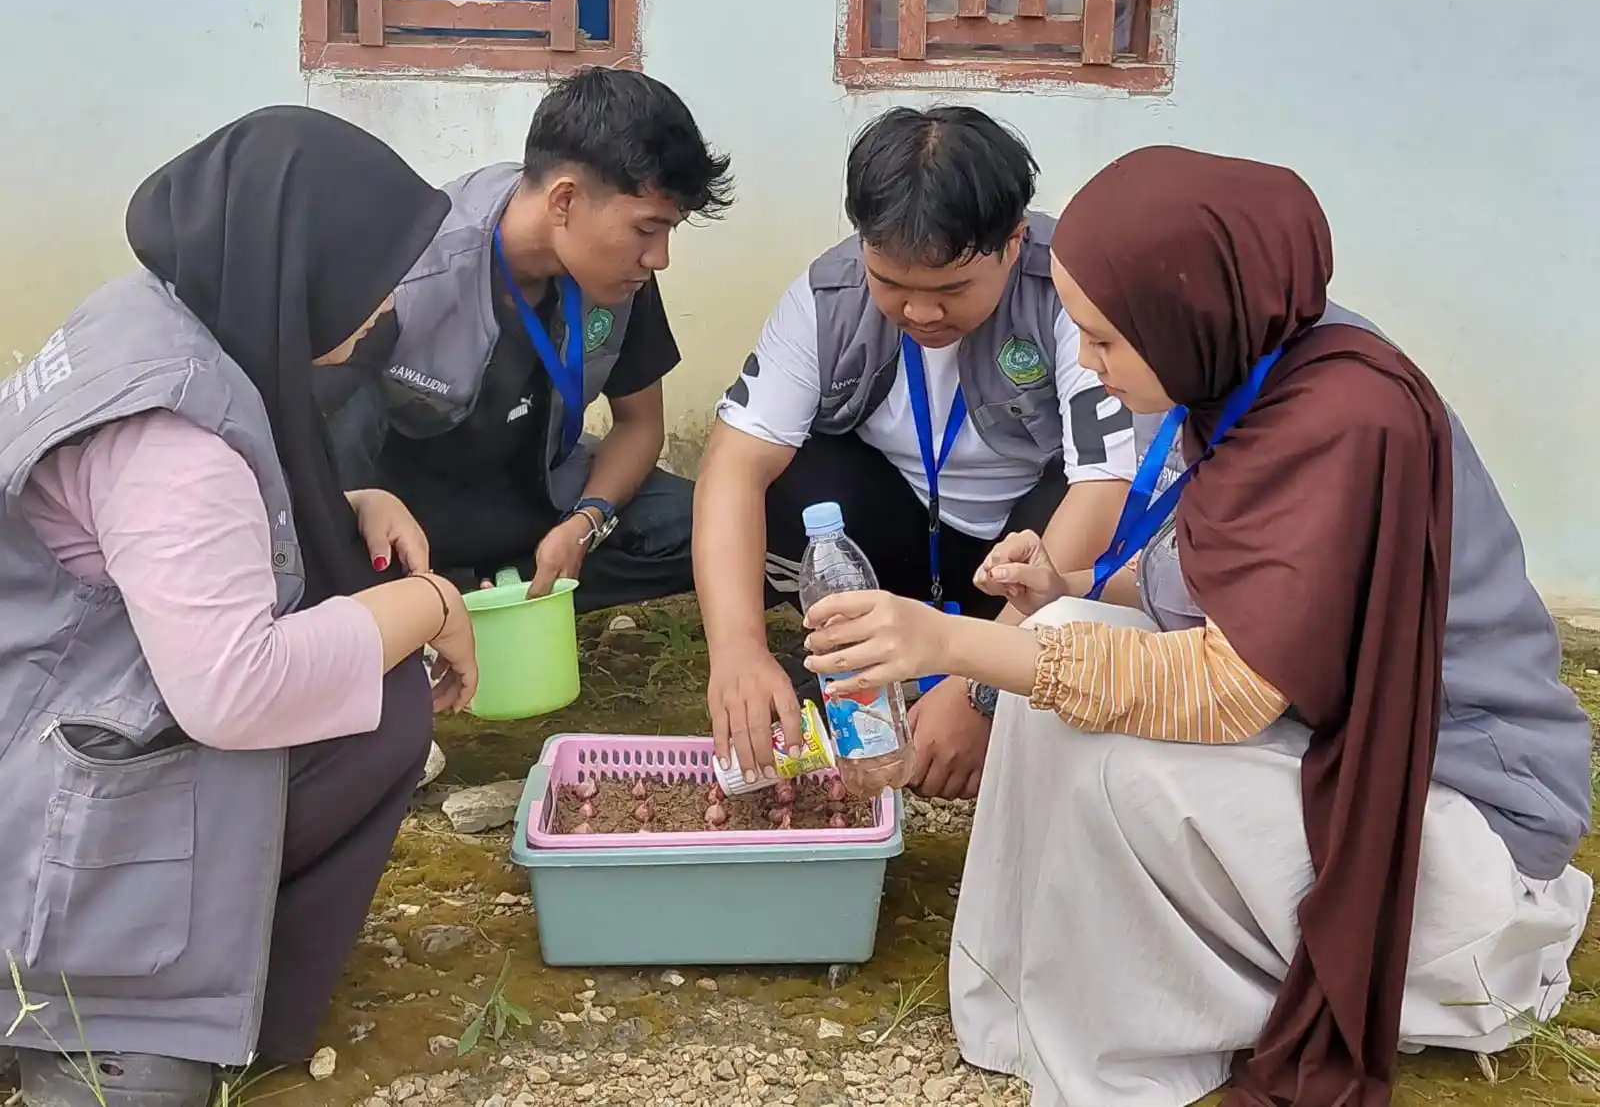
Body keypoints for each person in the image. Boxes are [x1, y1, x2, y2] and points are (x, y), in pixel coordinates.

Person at [797, 146, 1594, 1106]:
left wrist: (949, 642)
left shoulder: (1344, 423)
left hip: (1456, 836)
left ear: (1189, 315)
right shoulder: (1248, 366)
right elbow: (1221, 577)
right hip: (1356, 763)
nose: (1086, 365)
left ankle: (1137, 1049)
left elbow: (1225, 687)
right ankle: (1018, 1004)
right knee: (1066, 633)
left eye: (1104, 342)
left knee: (1125, 775)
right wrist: (1070, 579)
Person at [0, 106, 479, 1107]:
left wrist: (351, 506)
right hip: (49, 812)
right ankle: (106, 1000)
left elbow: (165, 547)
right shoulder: (175, 434)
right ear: (295, 263)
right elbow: (234, 688)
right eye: (372, 270)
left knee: (364, 668)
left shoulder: (142, 315)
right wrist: (433, 603)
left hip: (42, 698)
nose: (388, 301)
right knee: (384, 701)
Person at [694, 106, 1134, 793]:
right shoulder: (828, 294)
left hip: (1023, 566)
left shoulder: (1070, 292)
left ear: (1013, 242)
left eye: (952, 289)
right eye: (891, 284)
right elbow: (731, 466)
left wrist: (982, 684)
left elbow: (1104, 492)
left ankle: (1005, 681)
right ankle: (864, 657)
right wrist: (736, 651)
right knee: (795, 477)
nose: (921, 313)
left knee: (1090, 509)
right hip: (896, 552)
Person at [322, 67, 733, 611]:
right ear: (564, 202)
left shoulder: (622, 279)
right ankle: (404, 592)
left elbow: (640, 424)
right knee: (348, 410)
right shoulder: (411, 269)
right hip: (408, 510)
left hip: (542, 495)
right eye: (645, 229)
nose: (658, 258)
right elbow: (316, 434)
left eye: (668, 232)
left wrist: (587, 523)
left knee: (712, 526)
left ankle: (494, 592)